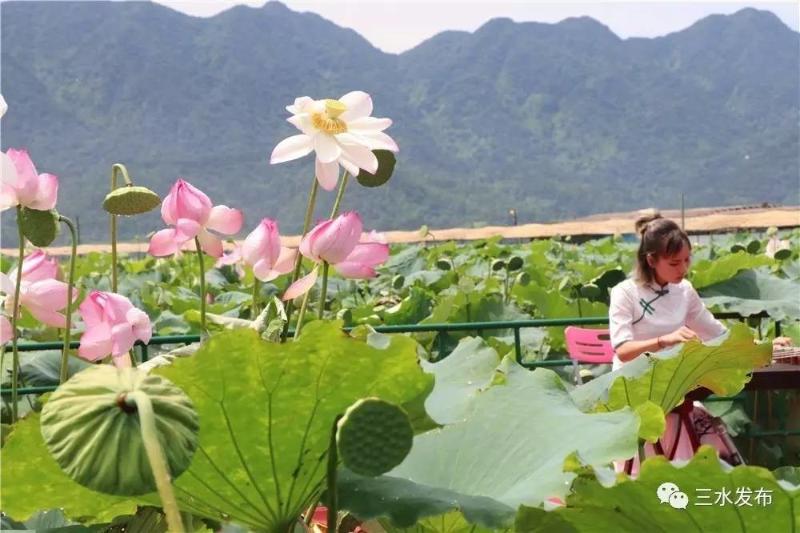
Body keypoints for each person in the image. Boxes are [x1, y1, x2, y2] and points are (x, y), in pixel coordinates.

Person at [608, 212, 791, 473]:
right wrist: (664, 340)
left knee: (706, 429)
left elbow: (717, 334)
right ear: (651, 260)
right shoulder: (624, 293)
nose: (683, 269)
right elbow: (623, 350)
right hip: (636, 391)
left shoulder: (684, 291)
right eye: (674, 263)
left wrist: (766, 346)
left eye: (687, 260)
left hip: (676, 386)